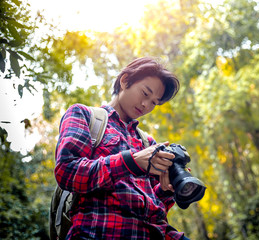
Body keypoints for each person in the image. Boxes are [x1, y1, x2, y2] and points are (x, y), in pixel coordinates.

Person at [55, 57, 190, 239]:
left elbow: (154, 209)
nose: (146, 105)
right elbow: (67, 173)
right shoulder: (84, 115)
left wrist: (167, 190)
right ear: (125, 80)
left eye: (154, 103)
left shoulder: (147, 142)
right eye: (145, 93)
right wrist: (130, 162)